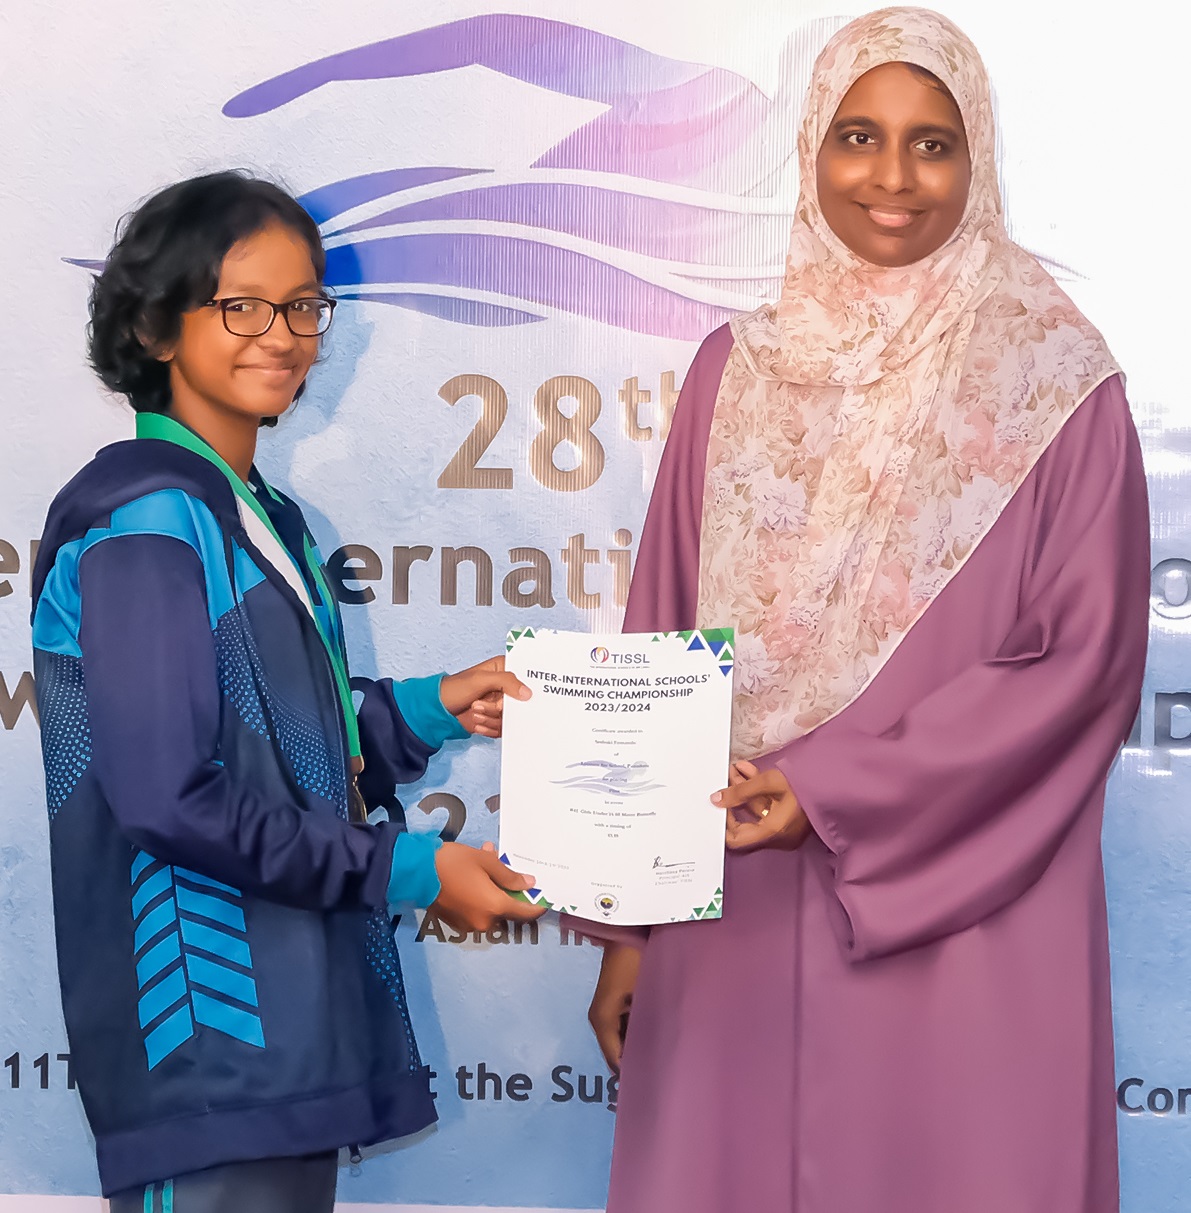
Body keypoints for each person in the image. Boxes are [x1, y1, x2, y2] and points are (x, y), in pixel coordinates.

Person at [567, 9, 1150, 1211]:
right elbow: (660, 644)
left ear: (977, 156)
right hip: (729, 894)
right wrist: (629, 929)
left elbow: (1079, 666)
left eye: (933, 143)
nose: (892, 177)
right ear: (810, 151)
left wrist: (836, 790)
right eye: (857, 136)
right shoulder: (733, 370)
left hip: (964, 911)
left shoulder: (1055, 388)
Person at [30, 171, 545, 1213]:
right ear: (154, 326)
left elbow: (284, 748)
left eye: (303, 305)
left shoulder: (257, 512)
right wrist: (410, 867)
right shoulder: (144, 520)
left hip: (288, 1038)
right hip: (204, 1042)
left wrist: (433, 705)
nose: (282, 335)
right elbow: (171, 799)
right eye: (242, 306)